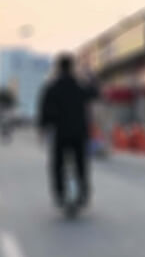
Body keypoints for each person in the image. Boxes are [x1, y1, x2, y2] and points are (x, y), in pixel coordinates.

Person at [38, 54, 99, 208]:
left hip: (60, 133)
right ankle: (83, 194)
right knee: (81, 164)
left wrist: (42, 129)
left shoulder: (52, 87)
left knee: (57, 164)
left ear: (58, 67)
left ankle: (60, 193)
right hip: (79, 133)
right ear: (71, 67)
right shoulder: (79, 86)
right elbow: (94, 94)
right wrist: (89, 77)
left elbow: (44, 111)